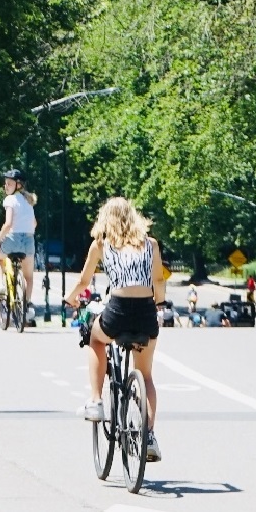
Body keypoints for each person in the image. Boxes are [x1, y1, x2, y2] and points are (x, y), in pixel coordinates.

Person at [65, 197, 166, 462]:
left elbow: (84, 280)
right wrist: (159, 304)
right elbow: (158, 280)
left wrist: (71, 298)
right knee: (146, 376)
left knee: (94, 338)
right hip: (145, 313)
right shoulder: (151, 244)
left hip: (117, 311)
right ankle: (149, 435)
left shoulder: (101, 244)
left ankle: (96, 401)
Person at [0, 169, 37, 320]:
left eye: (9, 184)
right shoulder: (29, 201)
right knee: (28, 277)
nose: (5, 187)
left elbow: (8, 224)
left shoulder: (10, 200)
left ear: (18, 185)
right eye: (5, 184)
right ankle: (28, 304)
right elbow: (35, 223)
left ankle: (0, 285)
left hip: (13, 239)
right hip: (29, 241)